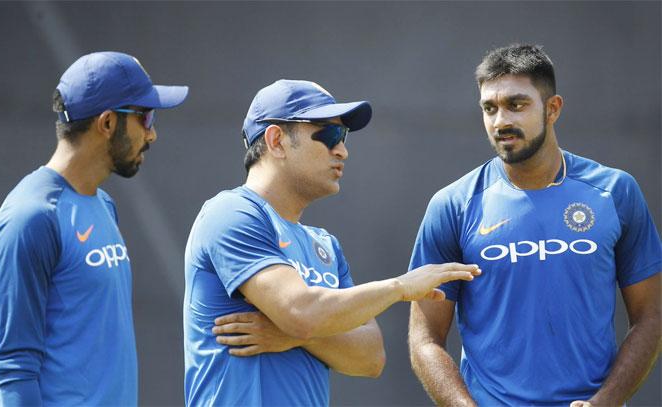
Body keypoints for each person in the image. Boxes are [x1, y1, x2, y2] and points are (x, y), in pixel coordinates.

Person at [183, 79, 481, 406]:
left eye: (344, 137)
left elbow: (370, 356)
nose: (342, 150)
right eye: (329, 135)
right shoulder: (233, 212)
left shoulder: (323, 244)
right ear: (276, 140)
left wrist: (290, 336)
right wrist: (400, 287)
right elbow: (300, 312)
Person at [408, 44, 661, 406]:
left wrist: (605, 402)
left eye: (517, 104)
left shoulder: (614, 192)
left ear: (553, 108)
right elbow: (425, 338)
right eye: (489, 108)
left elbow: (651, 316)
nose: (501, 121)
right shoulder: (452, 205)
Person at [0, 51, 188, 406]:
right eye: (145, 117)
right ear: (108, 123)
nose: (153, 133)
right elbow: (12, 368)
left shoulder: (103, 205)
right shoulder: (30, 216)